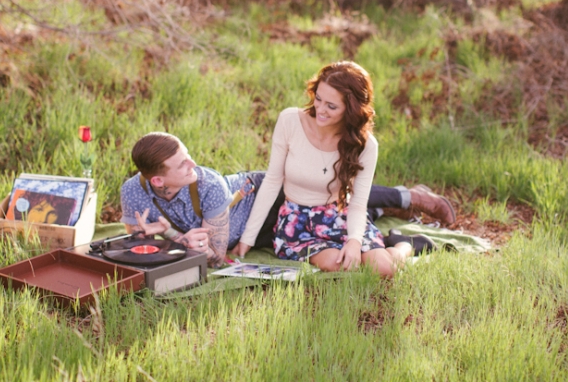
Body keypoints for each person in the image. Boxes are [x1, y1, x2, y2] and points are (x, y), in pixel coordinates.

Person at [119, 132, 455, 268]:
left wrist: (178, 241)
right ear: (158, 179)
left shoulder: (208, 184)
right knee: (326, 228)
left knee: (334, 195)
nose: (194, 164)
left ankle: (411, 197)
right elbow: (136, 241)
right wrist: (173, 237)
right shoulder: (132, 191)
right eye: (183, 164)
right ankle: (383, 211)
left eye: (188, 156)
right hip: (256, 232)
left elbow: (215, 256)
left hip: (270, 197)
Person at [233, 61, 428, 277]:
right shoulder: (289, 120)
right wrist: (246, 239)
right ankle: (385, 247)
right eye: (318, 99)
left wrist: (354, 242)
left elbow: (358, 202)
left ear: (350, 109)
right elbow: (271, 182)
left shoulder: (365, 144)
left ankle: (404, 246)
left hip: (340, 217)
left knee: (384, 269)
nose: (320, 110)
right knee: (340, 264)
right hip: (297, 222)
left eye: (331, 106)